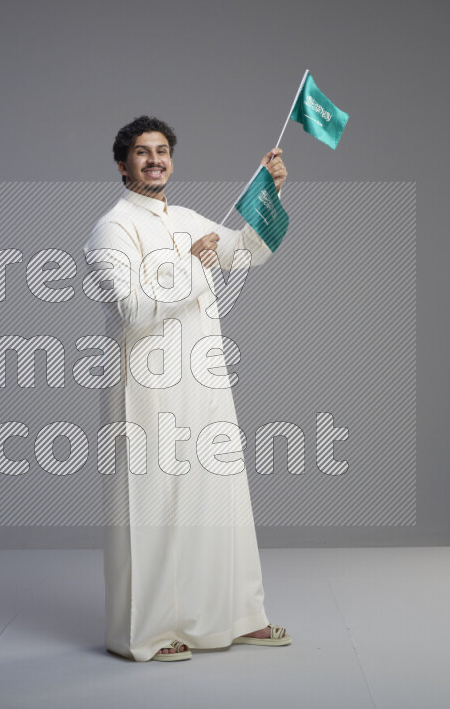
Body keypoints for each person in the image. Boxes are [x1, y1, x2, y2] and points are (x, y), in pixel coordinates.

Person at [84, 116, 292, 662]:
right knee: (152, 503)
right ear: (122, 163)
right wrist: (195, 265)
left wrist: (268, 195)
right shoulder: (111, 228)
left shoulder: (188, 218)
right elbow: (131, 309)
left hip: (203, 379)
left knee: (219, 497)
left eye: (162, 151)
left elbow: (249, 254)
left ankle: (239, 616)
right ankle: (144, 633)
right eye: (142, 152)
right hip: (148, 388)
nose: (155, 160)